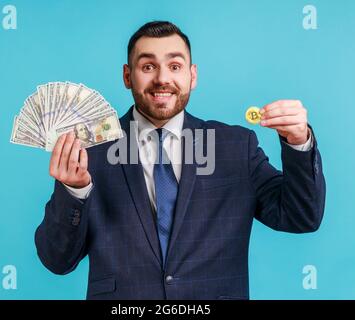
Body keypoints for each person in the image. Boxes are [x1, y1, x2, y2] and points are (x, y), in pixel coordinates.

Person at [35, 21, 326, 300]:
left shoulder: (235, 146)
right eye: (148, 66)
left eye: (175, 66)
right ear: (127, 76)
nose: (162, 78)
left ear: (192, 75)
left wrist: (299, 142)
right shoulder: (92, 151)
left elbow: (301, 216)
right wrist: (74, 192)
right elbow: (57, 260)